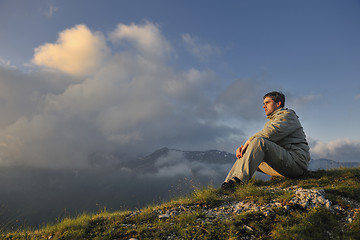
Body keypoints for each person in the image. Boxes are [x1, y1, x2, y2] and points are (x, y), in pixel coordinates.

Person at [221, 91, 310, 190]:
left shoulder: (288, 116)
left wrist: (248, 142)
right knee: (247, 152)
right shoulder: (275, 120)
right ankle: (228, 184)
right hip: (285, 164)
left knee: (258, 142)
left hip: (296, 164)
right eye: (263, 104)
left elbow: (269, 133)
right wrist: (245, 149)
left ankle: (237, 182)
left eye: (267, 103)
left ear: (278, 103)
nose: (264, 106)